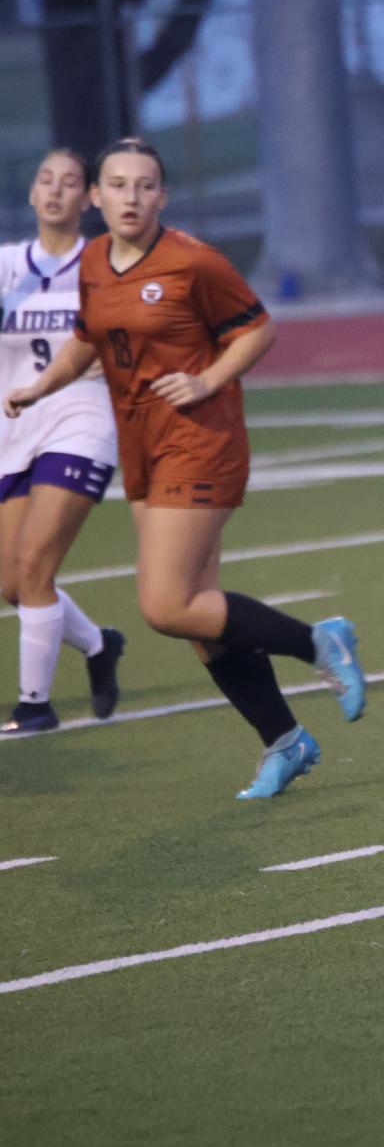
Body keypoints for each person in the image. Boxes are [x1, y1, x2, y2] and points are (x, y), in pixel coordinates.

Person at [3, 138, 368, 798]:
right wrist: (41, 386)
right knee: (202, 619)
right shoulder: (93, 259)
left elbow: (258, 330)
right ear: (97, 197)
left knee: (167, 605)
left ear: (162, 197)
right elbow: (87, 338)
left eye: (145, 186)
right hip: (141, 444)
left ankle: (319, 642)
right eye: (118, 185)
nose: (131, 197)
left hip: (200, 439)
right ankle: (285, 741)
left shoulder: (192, 261)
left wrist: (207, 381)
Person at [0, 149, 124, 734]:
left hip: (80, 422)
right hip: (13, 429)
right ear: (32, 194)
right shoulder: (7, 266)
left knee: (35, 565)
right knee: (11, 582)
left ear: (88, 198)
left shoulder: (102, 265)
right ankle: (99, 645)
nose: (55, 191)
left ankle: (35, 706)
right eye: (45, 180)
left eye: (69, 182)